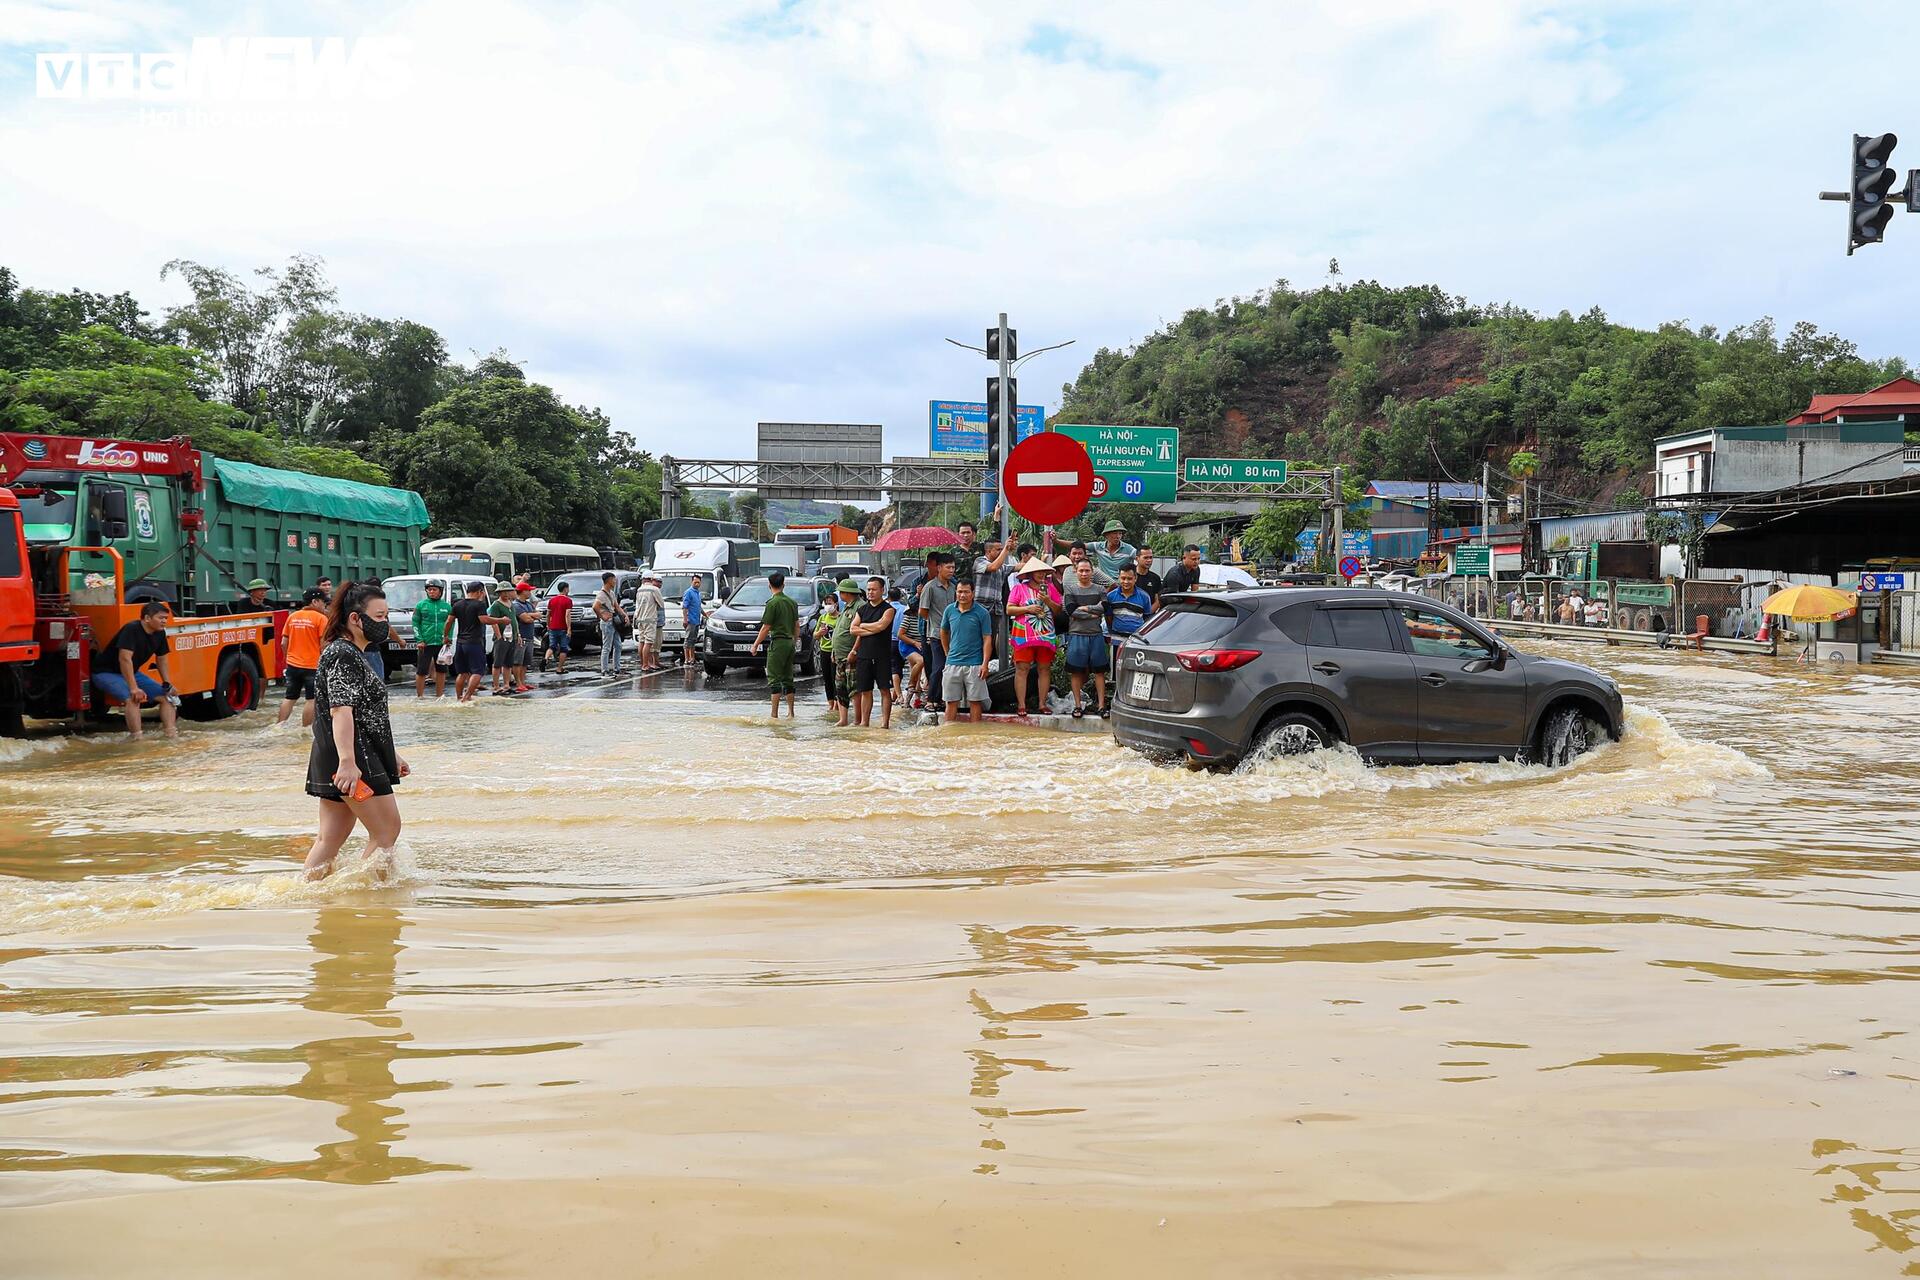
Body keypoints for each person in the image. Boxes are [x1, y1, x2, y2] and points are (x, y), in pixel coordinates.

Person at [302, 582, 409, 881]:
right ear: (355, 619)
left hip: (342, 753)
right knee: (386, 831)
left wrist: (391, 753)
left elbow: (364, 715)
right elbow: (340, 710)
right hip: (352, 758)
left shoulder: (345, 652)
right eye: (379, 617)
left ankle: (310, 897)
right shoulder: (343, 654)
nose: (385, 624)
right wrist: (348, 762)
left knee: (330, 839)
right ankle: (367, 899)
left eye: (386, 616)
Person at [91, 600, 178, 739]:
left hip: (133, 672)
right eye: (161, 618)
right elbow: (124, 658)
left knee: (167, 698)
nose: (164, 621)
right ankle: (137, 739)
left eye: (166, 618)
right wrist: (133, 688)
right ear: (147, 618)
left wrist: (167, 684)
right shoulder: (131, 629)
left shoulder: (160, 633)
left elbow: (161, 659)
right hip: (106, 672)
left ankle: (171, 735)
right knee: (133, 699)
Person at [1006, 557, 1060, 718]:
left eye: (1043, 571)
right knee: (1022, 669)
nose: (1041, 574)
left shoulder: (1050, 588)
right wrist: (1028, 608)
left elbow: (1058, 610)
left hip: (1046, 634)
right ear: (1030, 573)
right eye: (1038, 571)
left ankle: (1042, 704)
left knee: (1044, 669)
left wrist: (1048, 601)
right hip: (1024, 635)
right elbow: (1009, 609)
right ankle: (1022, 705)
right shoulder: (1019, 589)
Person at [939, 578, 993, 723]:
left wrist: (985, 663)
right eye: (960, 592)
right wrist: (947, 652)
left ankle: (975, 735)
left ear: (973, 593)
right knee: (950, 702)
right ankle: (948, 731)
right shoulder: (949, 610)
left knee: (975, 702)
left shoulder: (982, 613)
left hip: (975, 664)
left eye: (966, 592)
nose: (962, 595)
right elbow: (943, 632)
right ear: (956, 592)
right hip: (952, 663)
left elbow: (987, 639)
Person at [1061, 559, 1109, 718]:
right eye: (1081, 570)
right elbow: (1071, 611)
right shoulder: (1070, 589)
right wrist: (1093, 613)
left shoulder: (1100, 588)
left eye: (1087, 570)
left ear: (1092, 571)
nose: (1084, 573)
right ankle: (1077, 706)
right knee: (1075, 672)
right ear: (1076, 571)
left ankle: (1101, 706)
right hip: (1076, 635)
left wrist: (1085, 608)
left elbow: (1105, 607)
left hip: (1096, 635)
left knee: (1100, 672)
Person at [750, 569, 800, 718]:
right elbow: (797, 625)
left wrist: (755, 644)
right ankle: (791, 712)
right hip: (790, 642)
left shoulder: (772, 603)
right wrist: (794, 640)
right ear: (783, 585)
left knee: (774, 679)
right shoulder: (792, 603)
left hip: (777, 643)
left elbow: (766, 627)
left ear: (769, 585)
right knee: (788, 677)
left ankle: (774, 715)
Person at [848, 576, 897, 729]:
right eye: (868, 589)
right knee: (865, 691)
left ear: (882, 590)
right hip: (864, 655)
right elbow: (852, 629)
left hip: (882, 655)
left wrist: (863, 626)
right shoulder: (862, 609)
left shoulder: (888, 609)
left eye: (874, 589)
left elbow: (881, 627)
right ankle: (864, 723)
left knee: (884, 689)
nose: (870, 592)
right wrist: (870, 629)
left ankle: (885, 724)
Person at [1103, 566, 1153, 713]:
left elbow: (1147, 619)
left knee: (1136, 673)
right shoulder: (1111, 596)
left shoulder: (1144, 597)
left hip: (1136, 643)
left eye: (1129, 578)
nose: (1126, 581)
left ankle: (1133, 706)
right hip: (1117, 641)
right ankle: (1116, 704)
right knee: (1116, 674)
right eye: (1123, 578)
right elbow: (1108, 618)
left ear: (1135, 579)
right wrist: (1113, 633)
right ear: (1119, 578)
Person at [279, 588, 328, 725]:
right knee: (311, 699)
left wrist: (287, 660)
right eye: (323, 602)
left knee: (289, 698)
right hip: (312, 666)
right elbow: (324, 645)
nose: (324, 605)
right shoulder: (321, 618)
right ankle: (305, 730)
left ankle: (279, 726)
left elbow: (283, 643)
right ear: (315, 601)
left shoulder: (292, 617)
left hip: (293, 665)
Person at [917, 551, 956, 710]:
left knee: (950, 668)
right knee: (938, 666)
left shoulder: (954, 587)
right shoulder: (930, 587)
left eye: (953, 567)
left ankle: (942, 698)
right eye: (948, 567)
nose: (952, 570)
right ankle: (931, 699)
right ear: (939, 568)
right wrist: (935, 622)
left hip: (953, 634)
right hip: (935, 634)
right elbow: (923, 611)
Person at [447, 580, 491, 703]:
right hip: (474, 642)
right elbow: (484, 620)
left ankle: (459, 697)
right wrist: (502, 620)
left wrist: (445, 636)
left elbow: (448, 622)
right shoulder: (479, 605)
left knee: (462, 673)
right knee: (478, 671)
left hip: (460, 643)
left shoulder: (457, 604)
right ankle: (467, 697)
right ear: (480, 592)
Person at [409, 580, 450, 700]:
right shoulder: (421, 605)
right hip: (425, 643)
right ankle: (420, 696)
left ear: (440, 591)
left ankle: (439, 695)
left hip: (441, 643)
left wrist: (448, 637)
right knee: (422, 670)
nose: (431, 592)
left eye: (434, 589)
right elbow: (415, 623)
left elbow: (450, 623)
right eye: (429, 589)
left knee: (442, 670)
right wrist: (419, 640)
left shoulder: (446, 606)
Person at [830, 579, 860, 726]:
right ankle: (843, 719)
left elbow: (860, 633)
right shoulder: (846, 607)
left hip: (851, 655)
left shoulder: (859, 607)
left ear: (848, 593)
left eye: (841, 592)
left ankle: (857, 719)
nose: (840, 594)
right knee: (840, 688)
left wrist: (854, 650)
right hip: (840, 655)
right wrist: (834, 652)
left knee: (853, 688)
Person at [487, 582, 522, 695]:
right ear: (499, 592)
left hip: (512, 636)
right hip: (502, 637)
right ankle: (496, 686)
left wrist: (518, 635)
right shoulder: (496, 605)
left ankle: (506, 684)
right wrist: (499, 636)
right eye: (504, 592)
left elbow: (515, 620)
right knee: (497, 662)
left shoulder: (511, 604)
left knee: (508, 663)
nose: (506, 594)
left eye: (508, 591)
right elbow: (493, 621)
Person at [893, 585, 924, 706]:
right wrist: (915, 642)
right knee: (921, 662)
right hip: (907, 646)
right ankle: (910, 685)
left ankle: (912, 701)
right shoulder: (909, 617)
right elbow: (900, 635)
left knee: (917, 671)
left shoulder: (925, 618)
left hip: (919, 646)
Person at [592, 571, 627, 677]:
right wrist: (602, 616)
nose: (615, 581)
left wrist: (624, 615)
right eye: (614, 579)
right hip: (607, 623)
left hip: (614, 622)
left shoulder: (611, 593)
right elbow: (595, 607)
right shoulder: (601, 594)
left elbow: (616, 606)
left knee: (618, 645)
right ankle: (605, 670)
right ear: (609, 581)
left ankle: (617, 668)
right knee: (607, 647)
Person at [631, 571, 666, 673]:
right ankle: (646, 665)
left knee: (642, 641)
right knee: (649, 642)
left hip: (640, 618)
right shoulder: (654, 589)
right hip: (650, 619)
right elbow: (661, 604)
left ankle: (643, 663)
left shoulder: (639, 589)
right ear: (651, 579)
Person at [511, 582, 540, 692]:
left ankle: (523, 682)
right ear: (523, 592)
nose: (530, 592)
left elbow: (538, 615)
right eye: (528, 590)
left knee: (525, 662)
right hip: (521, 637)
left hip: (530, 636)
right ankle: (518, 683)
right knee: (518, 661)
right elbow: (526, 619)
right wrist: (532, 616)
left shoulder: (528, 604)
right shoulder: (516, 605)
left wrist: (531, 615)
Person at [543, 579, 574, 674]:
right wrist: (569, 628)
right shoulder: (568, 600)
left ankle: (545, 659)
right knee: (564, 648)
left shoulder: (551, 600)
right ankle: (559, 668)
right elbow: (567, 615)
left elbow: (548, 614)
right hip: (563, 627)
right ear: (565, 589)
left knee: (552, 646)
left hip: (553, 627)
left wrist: (548, 625)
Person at [680, 576, 705, 668]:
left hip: (696, 620)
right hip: (690, 620)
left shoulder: (698, 593)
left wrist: (705, 615)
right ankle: (687, 659)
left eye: (698, 582)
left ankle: (692, 658)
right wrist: (685, 619)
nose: (697, 584)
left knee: (693, 640)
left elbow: (698, 607)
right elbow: (685, 607)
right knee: (688, 640)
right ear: (692, 582)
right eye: (695, 582)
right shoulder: (688, 592)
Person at [1131, 545, 1163, 612]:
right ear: (1137, 558)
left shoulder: (1155, 578)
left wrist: (1147, 614)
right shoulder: (1129, 577)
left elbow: (1157, 601)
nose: (1149, 560)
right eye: (1145, 558)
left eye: (1151, 557)